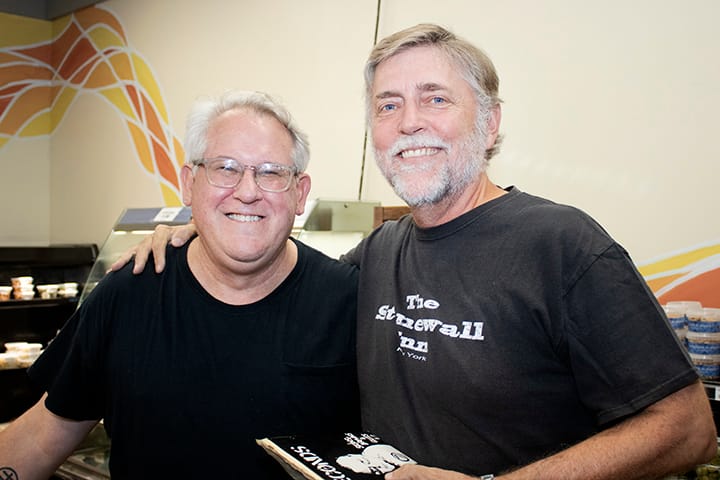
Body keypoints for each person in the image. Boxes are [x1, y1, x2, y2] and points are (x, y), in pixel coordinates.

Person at [113, 24, 717, 480]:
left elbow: (690, 429)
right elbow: (281, 275)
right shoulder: (379, 251)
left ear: (490, 122)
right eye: (388, 105)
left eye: (435, 98)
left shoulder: (562, 245)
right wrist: (203, 233)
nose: (407, 123)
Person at [0, 90, 360, 479]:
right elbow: (41, 438)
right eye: (225, 168)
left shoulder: (348, 302)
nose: (247, 191)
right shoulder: (128, 293)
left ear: (300, 193)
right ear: (189, 184)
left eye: (271, 172)